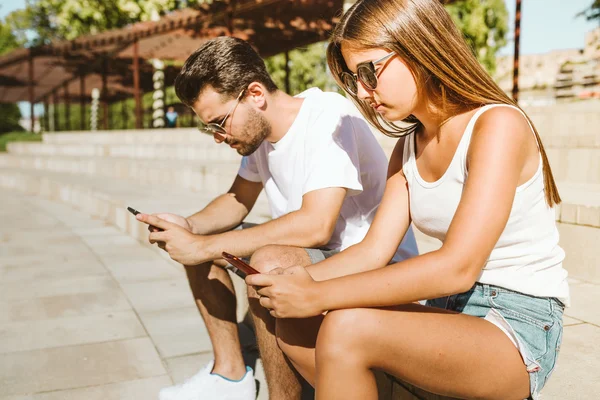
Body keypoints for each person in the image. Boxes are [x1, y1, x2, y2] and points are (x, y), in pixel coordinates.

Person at [246, 1, 570, 399]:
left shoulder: (497, 125)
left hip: (516, 322)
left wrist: (318, 293)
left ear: (419, 46)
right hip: (447, 312)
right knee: (296, 320)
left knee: (346, 326)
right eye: (353, 78)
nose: (363, 93)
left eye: (369, 71)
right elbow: (372, 252)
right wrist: (296, 282)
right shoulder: (407, 147)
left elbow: (458, 268)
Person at [134, 36, 418, 400]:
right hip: (316, 257)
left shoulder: (328, 117)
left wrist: (204, 244)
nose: (219, 137)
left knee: (263, 260)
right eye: (211, 128)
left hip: (373, 266)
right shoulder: (259, 134)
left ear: (255, 94)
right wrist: (186, 227)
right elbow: (237, 200)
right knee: (199, 247)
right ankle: (230, 377)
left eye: (220, 122)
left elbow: (316, 226)